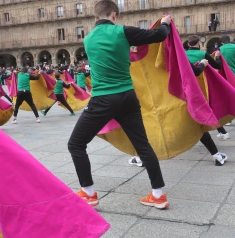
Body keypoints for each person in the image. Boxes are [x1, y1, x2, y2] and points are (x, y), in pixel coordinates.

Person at [68, 0, 171, 209]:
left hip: (103, 98)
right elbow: (160, 35)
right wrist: (166, 23)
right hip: (128, 96)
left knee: (76, 144)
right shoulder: (123, 32)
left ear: (95, 18)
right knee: (143, 145)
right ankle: (158, 194)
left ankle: (88, 193)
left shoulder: (87, 39)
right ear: (114, 15)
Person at [129, 59, 228, 167]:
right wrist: (203, 64)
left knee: (147, 128)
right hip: (176, 99)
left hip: (148, 102)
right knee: (196, 127)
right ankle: (217, 155)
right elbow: (194, 71)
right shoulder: (170, 51)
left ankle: (140, 157)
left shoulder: (132, 57)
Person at [185, 35, 230, 140]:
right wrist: (218, 56)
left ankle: (220, 131)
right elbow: (217, 66)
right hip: (202, 86)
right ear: (199, 44)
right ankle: (222, 131)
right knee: (208, 108)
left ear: (188, 44)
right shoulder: (203, 54)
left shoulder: (184, 55)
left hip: (188, 86)